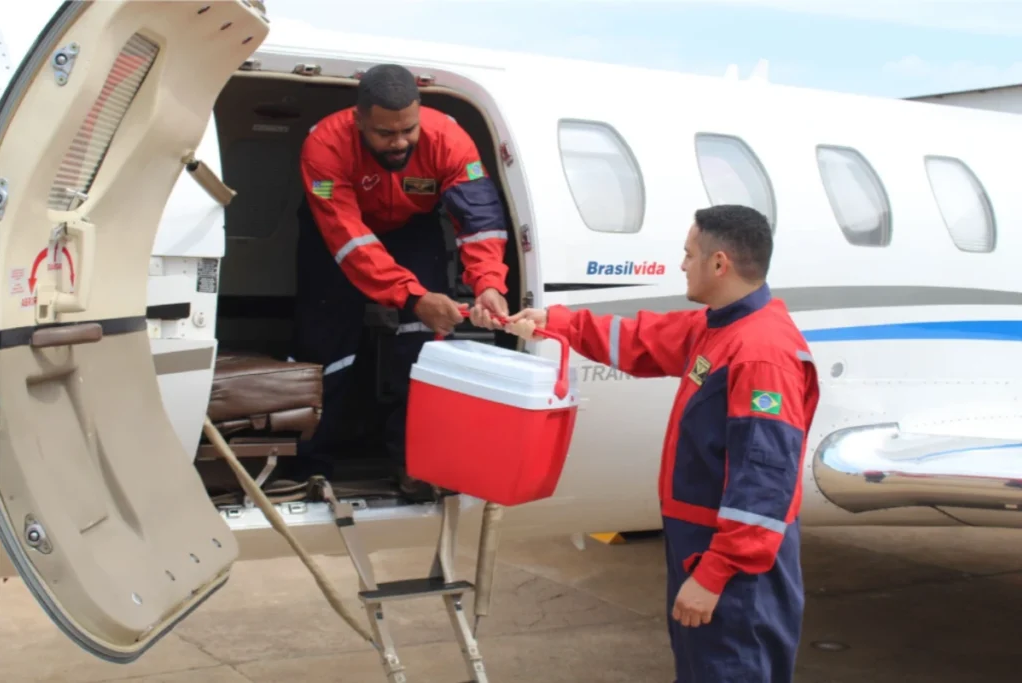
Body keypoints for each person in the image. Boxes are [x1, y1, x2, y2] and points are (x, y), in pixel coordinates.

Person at [494, 205, 820, 682]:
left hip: (735, 571)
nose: (682, 264)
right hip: (703, 549)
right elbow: (643, 338)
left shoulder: (760, 354)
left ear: (719, 263)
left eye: (688, 255)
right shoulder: (721, 327)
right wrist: (554, 322)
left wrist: (715, 575)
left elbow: (763, 484)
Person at [291, 63, 511, 499]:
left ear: (420, 112)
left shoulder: (448, 138)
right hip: (335, 236)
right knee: (325, 346)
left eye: (408, 130)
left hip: (412, 226)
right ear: (359, 121)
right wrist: (412, 295)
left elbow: (480, 221)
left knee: (424, 347)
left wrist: (489, 282)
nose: (399, 143)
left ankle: (414, 464)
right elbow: (350, 241)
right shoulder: (324, 145)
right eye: (384, 134)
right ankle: (309, 467)